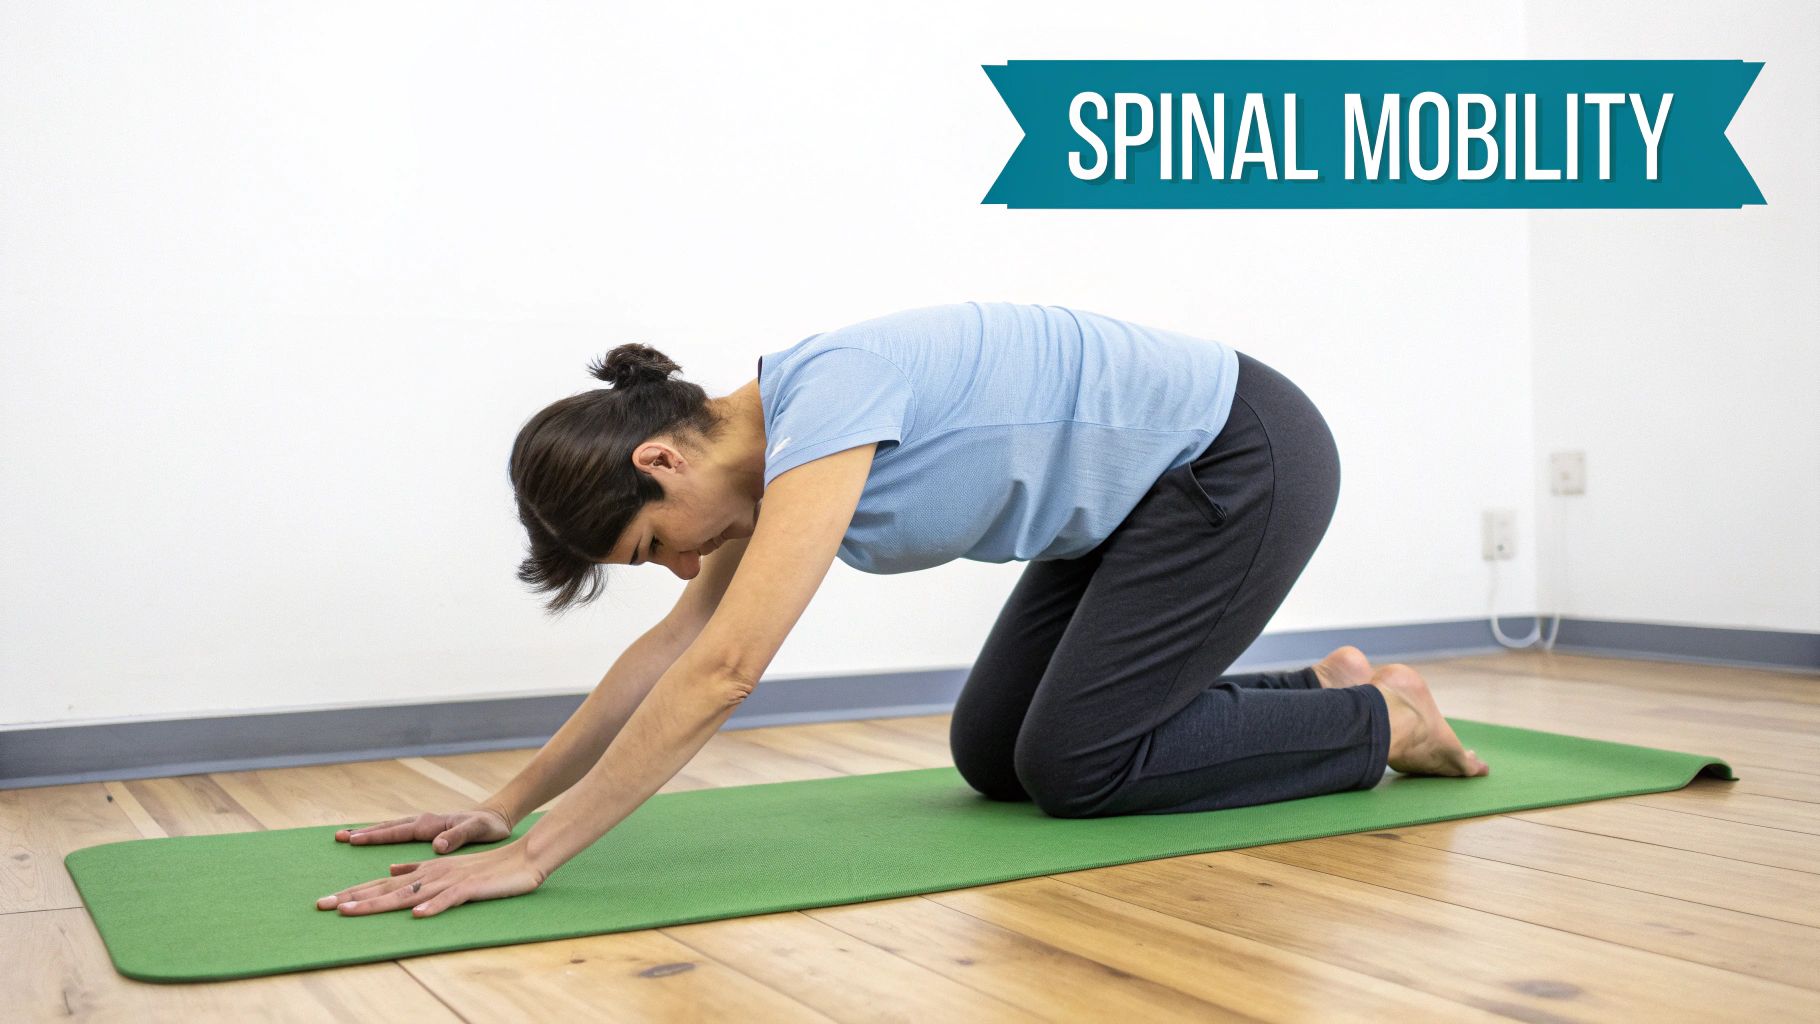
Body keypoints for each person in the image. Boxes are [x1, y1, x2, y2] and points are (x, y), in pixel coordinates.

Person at [314, 301, 1489, 920]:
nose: (676, 572)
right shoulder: (762, 463)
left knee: (1077, 765)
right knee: (997, 756)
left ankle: (1383, 722)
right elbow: (671, 647)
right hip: (1134, 509)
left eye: (650, 547)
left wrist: (544, 861)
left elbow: (723, 668)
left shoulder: (826, 399)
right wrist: (503, 806)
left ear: (663, 462)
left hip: (1238, 459)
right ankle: (1323, 686)